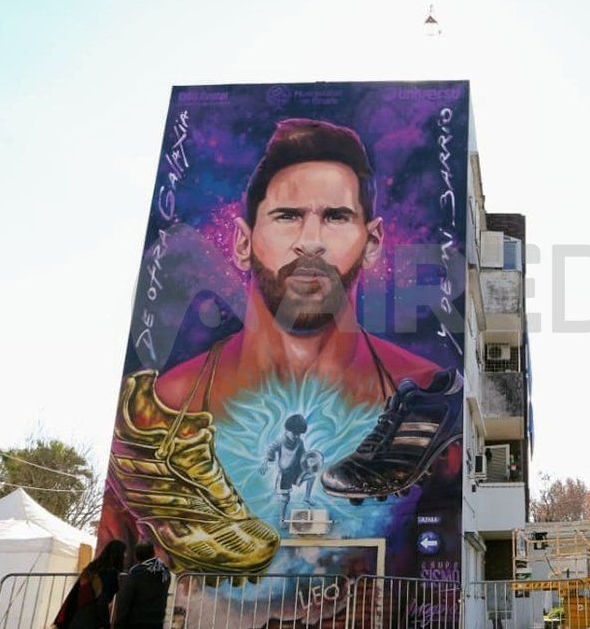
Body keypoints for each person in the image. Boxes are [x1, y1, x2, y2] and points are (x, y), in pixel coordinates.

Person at [99, 118, 452, 573]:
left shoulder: (429, 401)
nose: (310, 243)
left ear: (372, 242)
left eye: (336, 217)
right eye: (287, 216)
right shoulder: (167, 409)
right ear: (243, 242)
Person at [54, 540, 125, 629]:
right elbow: (102, 601)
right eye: (123, 553)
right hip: (91, 619)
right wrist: (106, 624)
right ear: (118, 555)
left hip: (76, 615)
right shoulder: (110, 573)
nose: (125, 556)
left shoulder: (92, 568)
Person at [113, 541, 170, 629]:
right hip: (157, 623)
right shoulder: (165, 574)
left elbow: (124, 604)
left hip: (135, 623)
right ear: (153, 553)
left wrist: (118, 625)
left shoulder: (134, 576)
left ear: (136, 556)